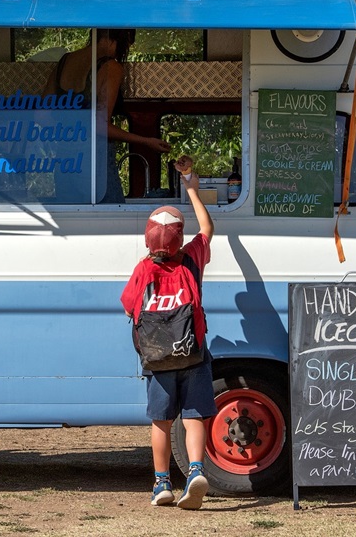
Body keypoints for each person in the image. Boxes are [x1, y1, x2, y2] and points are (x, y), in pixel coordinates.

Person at [120, 155, 215, 509]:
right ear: (180, 238)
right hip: (193, 351)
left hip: (157, 358)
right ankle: (194, 471)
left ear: (148, 238)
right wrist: (191, 185)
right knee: (193, 418)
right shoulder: (191, 259)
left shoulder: (143, 269)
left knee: (161, 422)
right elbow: (207, 228)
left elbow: (130, 306)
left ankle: (162, 484)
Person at [46, 29, 170, 201]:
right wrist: (146, 141)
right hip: (94, 161)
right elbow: (100, 125)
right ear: (123, 37)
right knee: (112, 217)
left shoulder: (64, 62)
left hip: (64, 161)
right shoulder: (110, 67)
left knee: (73, 220)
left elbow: (42, 117)